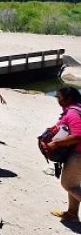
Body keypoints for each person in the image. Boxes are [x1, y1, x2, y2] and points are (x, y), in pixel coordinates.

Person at [48, 87, 81, 223]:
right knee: (74, 184)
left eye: (59, 97)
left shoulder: (73, 113)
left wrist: (57, 144)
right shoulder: (78, 109)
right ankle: (72, 213)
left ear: (69, 99)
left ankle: (72, 213)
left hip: (78, 154)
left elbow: (78, 136)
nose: (58, 100)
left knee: (68, 184)